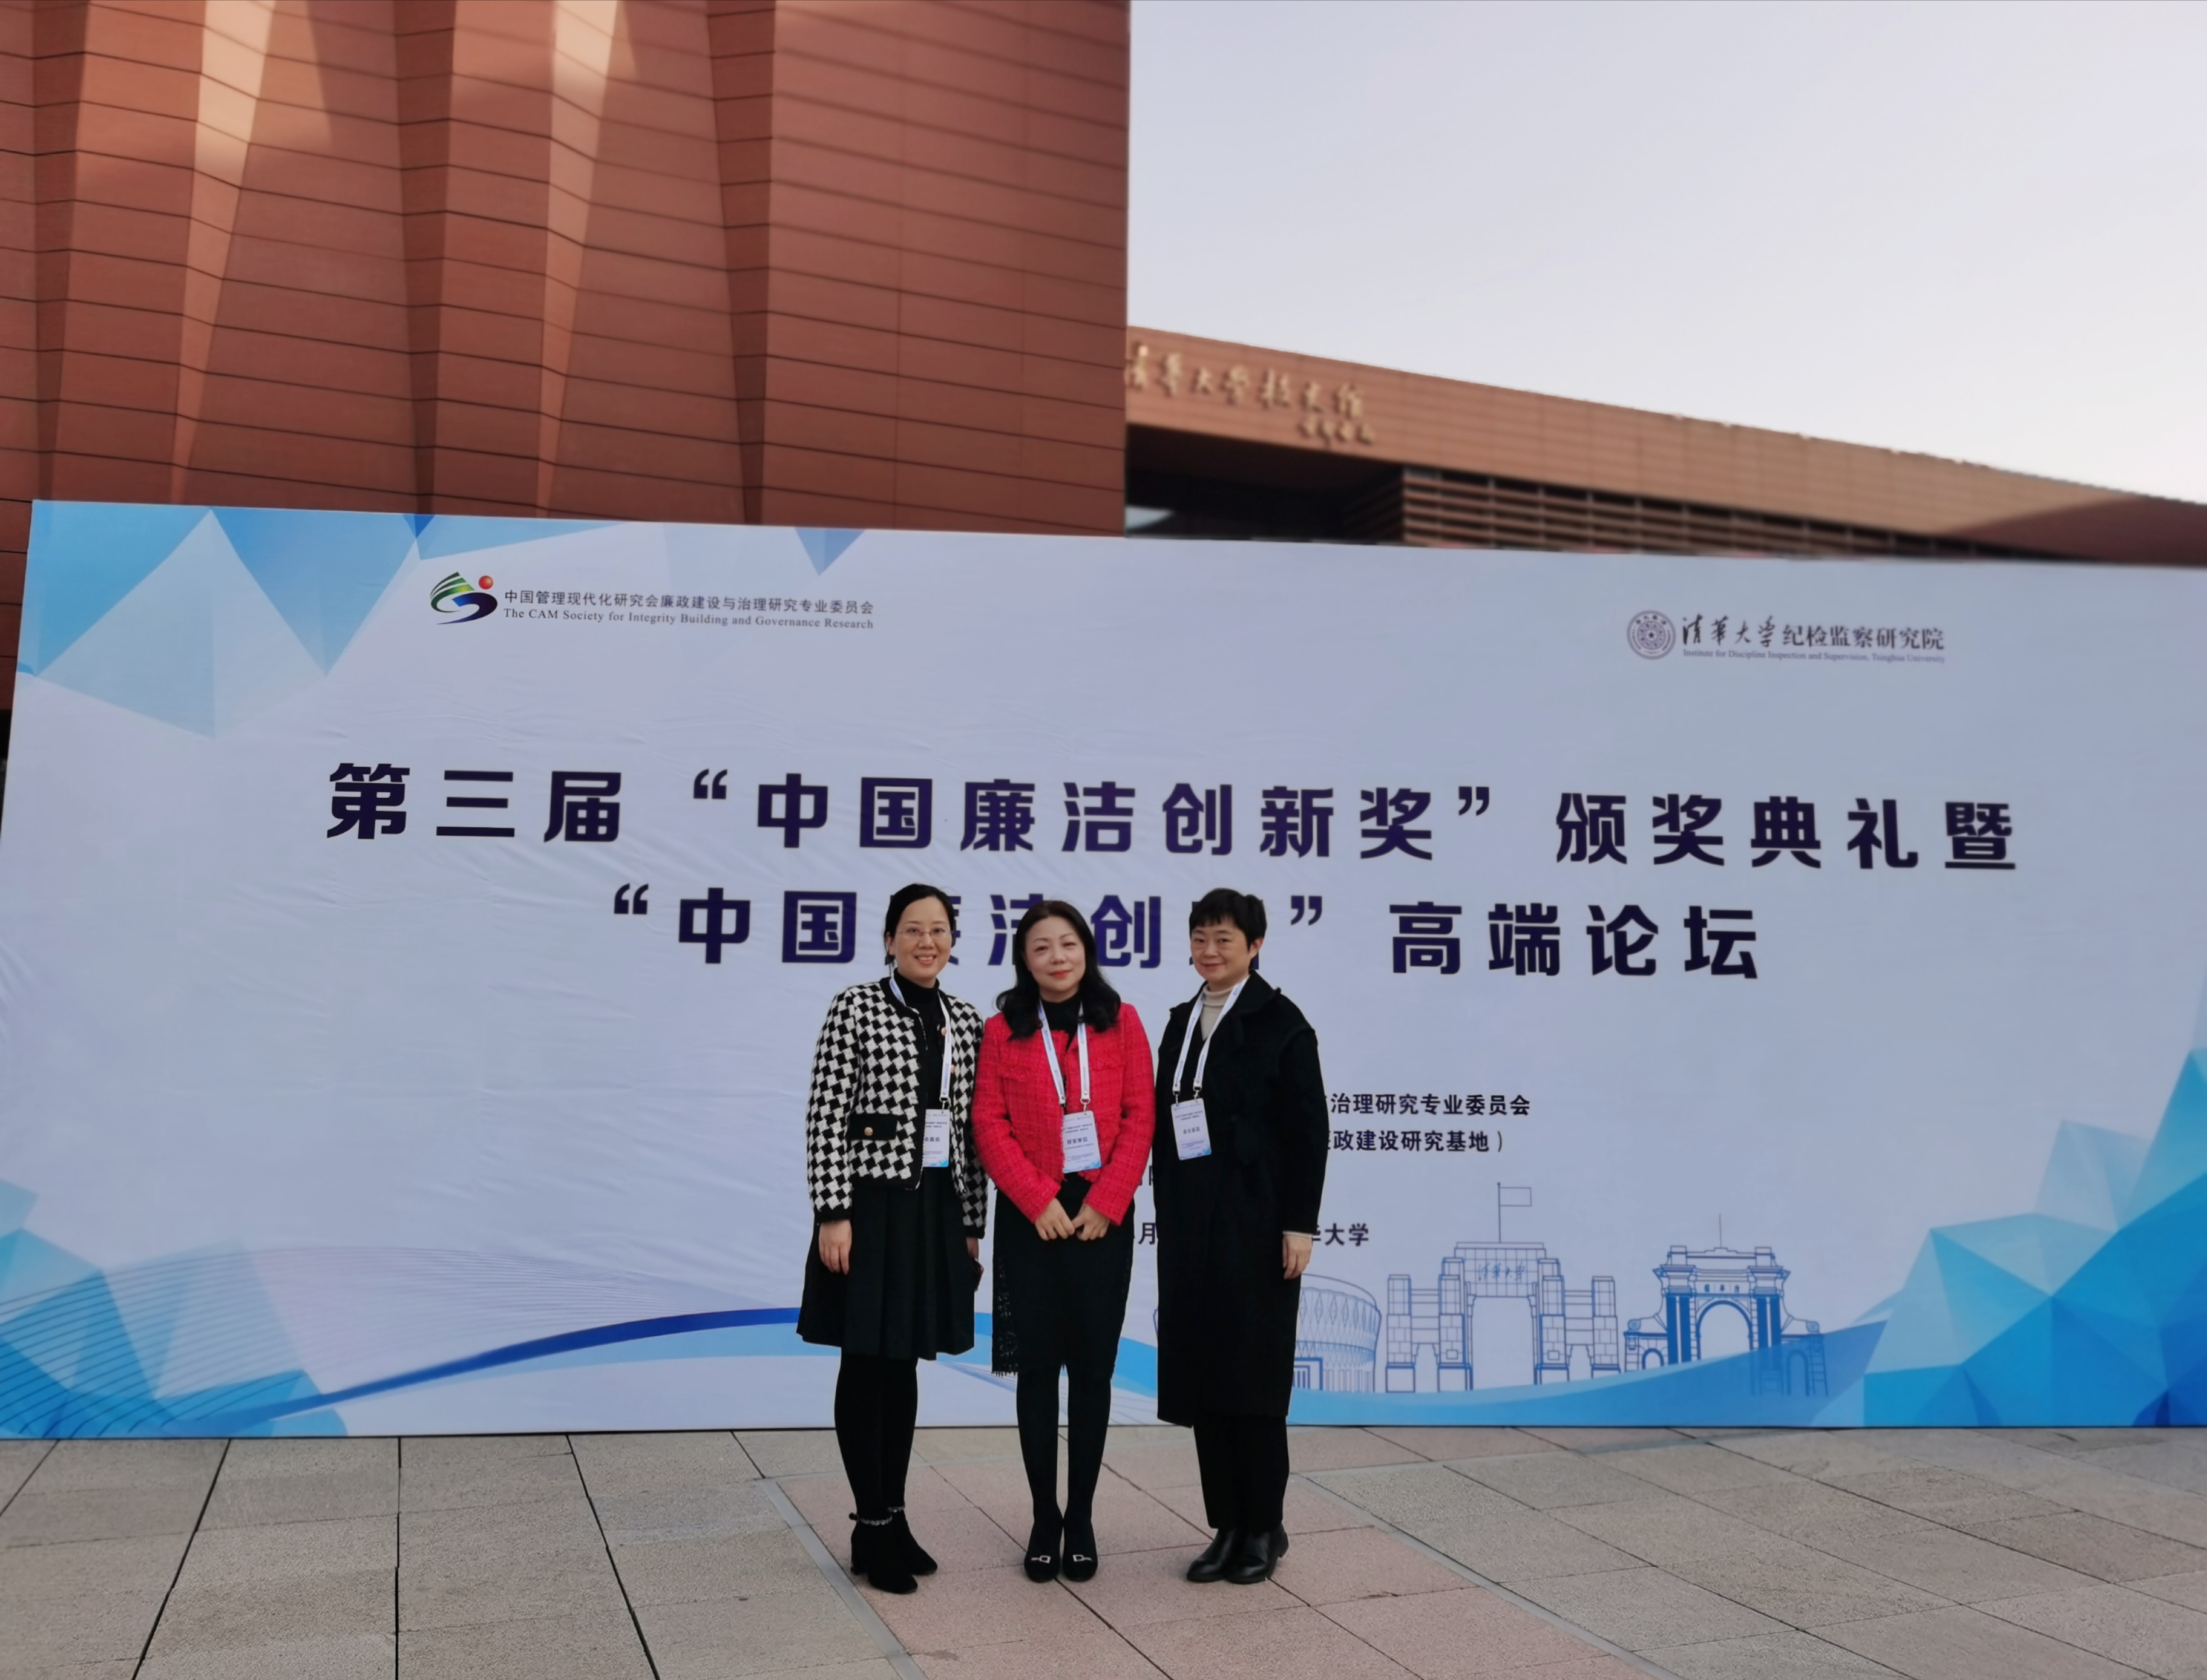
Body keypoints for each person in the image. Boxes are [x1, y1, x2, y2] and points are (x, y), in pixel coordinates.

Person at [796, 883, 986, 1594]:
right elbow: (825, 1112)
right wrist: (832, 1210)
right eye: (912, 929)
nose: (925, 941)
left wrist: (971, 1224)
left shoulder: (965, 1020)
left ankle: (894, 1516)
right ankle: (869, 1522)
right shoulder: (855, 1005)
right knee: (865, 1362)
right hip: (869, 1209)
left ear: (951, 941)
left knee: (903, 1363)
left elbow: (969, 1134)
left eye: (938, 929)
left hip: (934, 1209)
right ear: (888, 939)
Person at [973, 901, 1155, 1583]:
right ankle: (1042, 1517)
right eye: (1042, 946)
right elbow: (988, 1122)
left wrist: (1107, 1201)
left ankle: (1080, 1517)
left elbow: (1140, 1116)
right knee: (1037, 1372)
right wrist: (1035, 1199)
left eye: (1068, 943)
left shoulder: (1121, 1020)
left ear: (1086, 950)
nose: (1057, 957)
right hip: (1033, 1220)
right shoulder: (1002, 1030)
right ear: (1024, 959)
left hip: (1101, 1219)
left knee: (1092, 1372)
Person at [1150, 888, 1328, 1586]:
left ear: (1254, 945)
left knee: (1251, 1380)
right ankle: (1225, 1524)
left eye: (1223, 938)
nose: (1208, 951)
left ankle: (1263, 1525)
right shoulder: (1180, 1021)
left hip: (1256, 1226)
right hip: (1191, 1227)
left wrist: (1298, 1224)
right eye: (1199, 937)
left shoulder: (1282, 1023)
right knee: (1205, 1378)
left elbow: (1309, 1132)